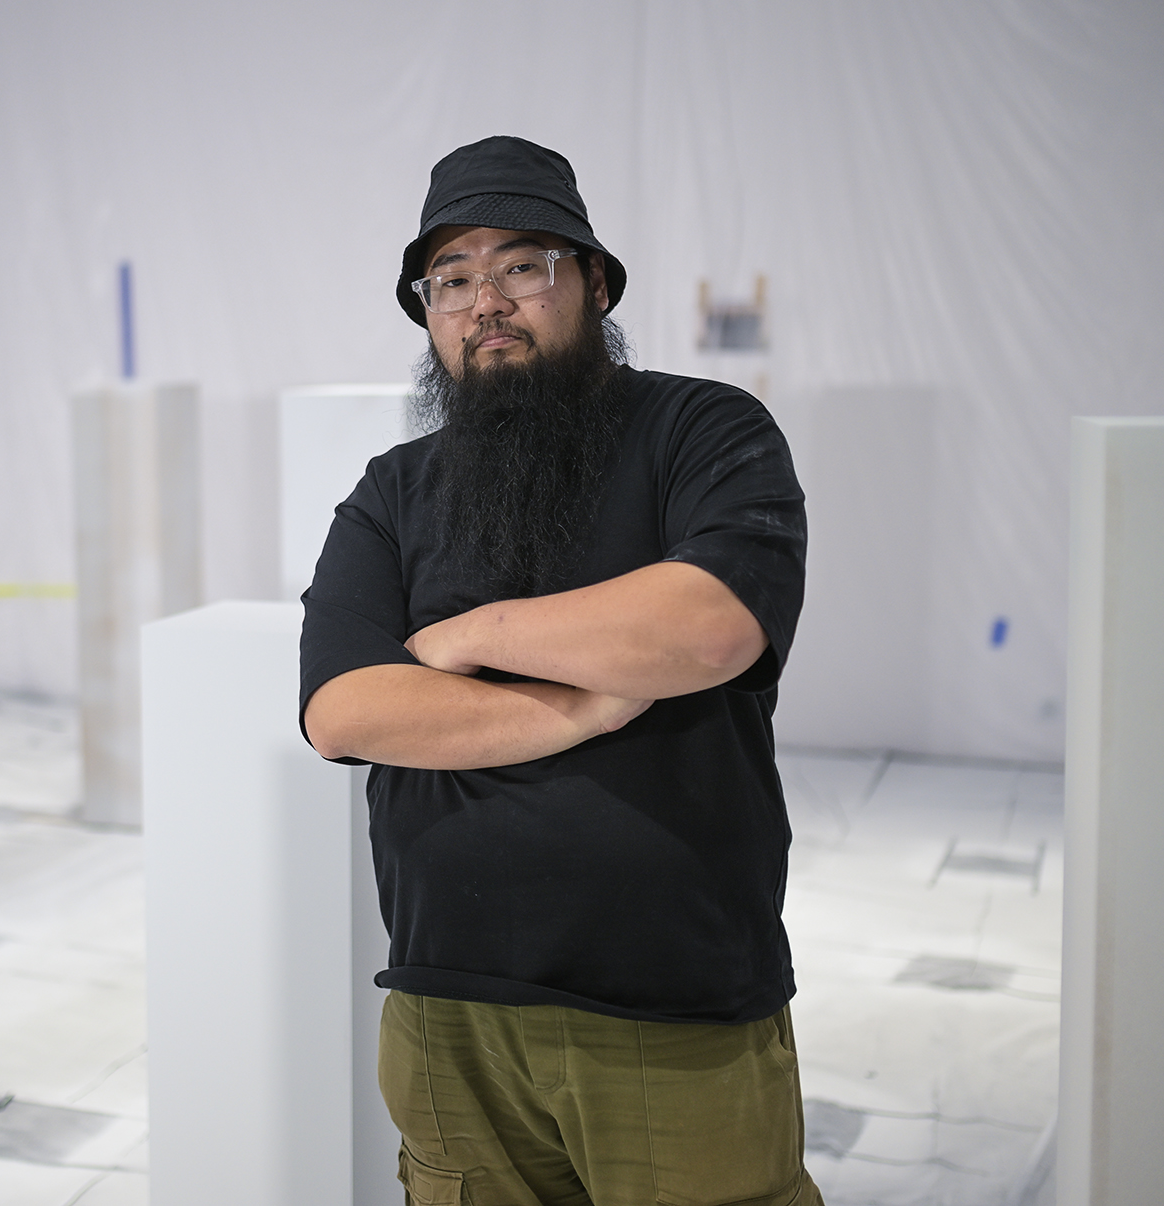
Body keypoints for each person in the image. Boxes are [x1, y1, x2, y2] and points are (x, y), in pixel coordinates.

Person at [299, 136, 818, 1206]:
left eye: (519, 265)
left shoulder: (700, 430)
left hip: (671, 1008)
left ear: (588, 280)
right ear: (428, 312)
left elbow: (707, 625)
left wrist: (467, 636)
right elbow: (344, 709)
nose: (484, 301)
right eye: (450, 280)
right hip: (448, 1013)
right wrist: (583, 704)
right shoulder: (393, 490)